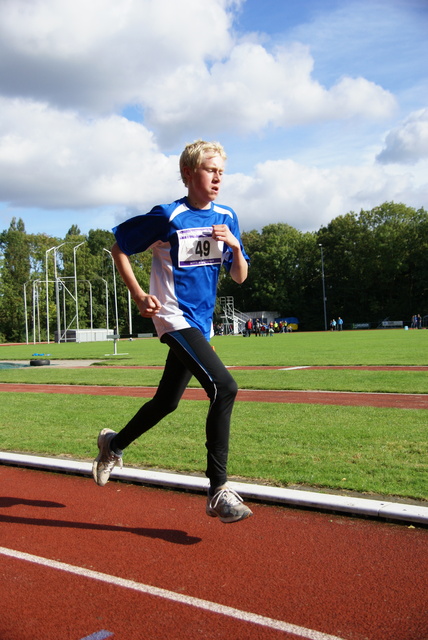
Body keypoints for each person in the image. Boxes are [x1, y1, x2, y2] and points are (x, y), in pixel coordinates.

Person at [92, 140, 253, 524]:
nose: (217, 178)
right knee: (225, 387)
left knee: (166, 402)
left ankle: (112, 445)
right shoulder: (169, 215)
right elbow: (119, 249)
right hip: (172, 316)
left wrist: (234, 246)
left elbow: (239, 275)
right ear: (188, 174)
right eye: (210, 170)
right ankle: (218, 490)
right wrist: (138, 294)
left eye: (221, 172)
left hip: (202, 323)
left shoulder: (227, 215)